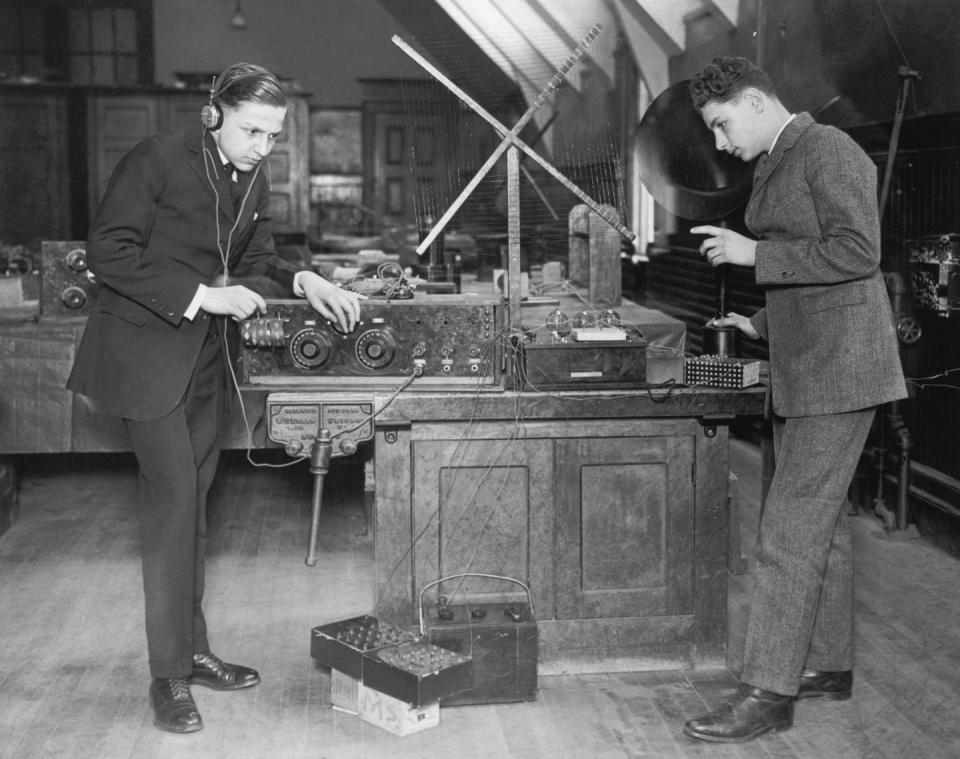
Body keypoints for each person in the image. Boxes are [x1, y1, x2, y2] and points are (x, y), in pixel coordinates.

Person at [67, 62, 364, 734]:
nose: (265, 145)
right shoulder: (157, 159)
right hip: (146, 358)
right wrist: (203, 296)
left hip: (205, 359)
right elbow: (107, 249)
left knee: (195, 503)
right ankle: (168, 676)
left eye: (273, 134)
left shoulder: (249, 174)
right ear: (214, 115)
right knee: (173, 501)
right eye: (253, 130)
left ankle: (192, 650)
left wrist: (305, 278)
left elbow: (257, 260)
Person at [683, 56, 906, 743]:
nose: (721, 144)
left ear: (754, 102)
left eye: (721, 126)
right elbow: (808, 267)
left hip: (840, 372)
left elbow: (857, 253)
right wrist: (756, 323)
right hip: (808, 364)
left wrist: (753, 258)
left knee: (788, 531)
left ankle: (768, 689)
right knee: (820, 523)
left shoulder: (828, 149)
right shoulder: (782, 159)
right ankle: (826, 664)